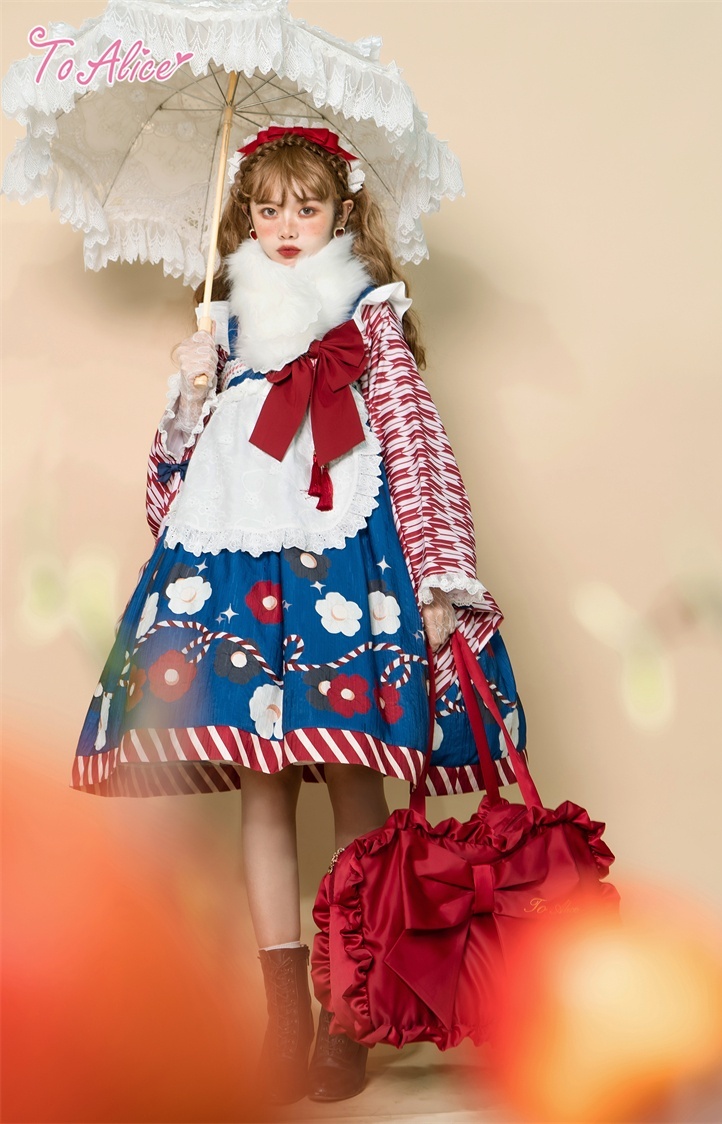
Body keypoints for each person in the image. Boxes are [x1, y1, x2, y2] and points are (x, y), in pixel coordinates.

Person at [73, 126, 527, 1105]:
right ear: (244, 214)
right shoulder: (225, 331)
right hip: (235, 584)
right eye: (268, 208)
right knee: (264, 788)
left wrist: (441, 580)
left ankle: (349, 1015)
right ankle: (283, 1020)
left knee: (354, 775)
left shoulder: (370, 322)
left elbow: (419, 453)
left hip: (347, 578)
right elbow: (168, 498)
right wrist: (191, 393)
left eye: (307, 207)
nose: (286, 226)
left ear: (342, 212)